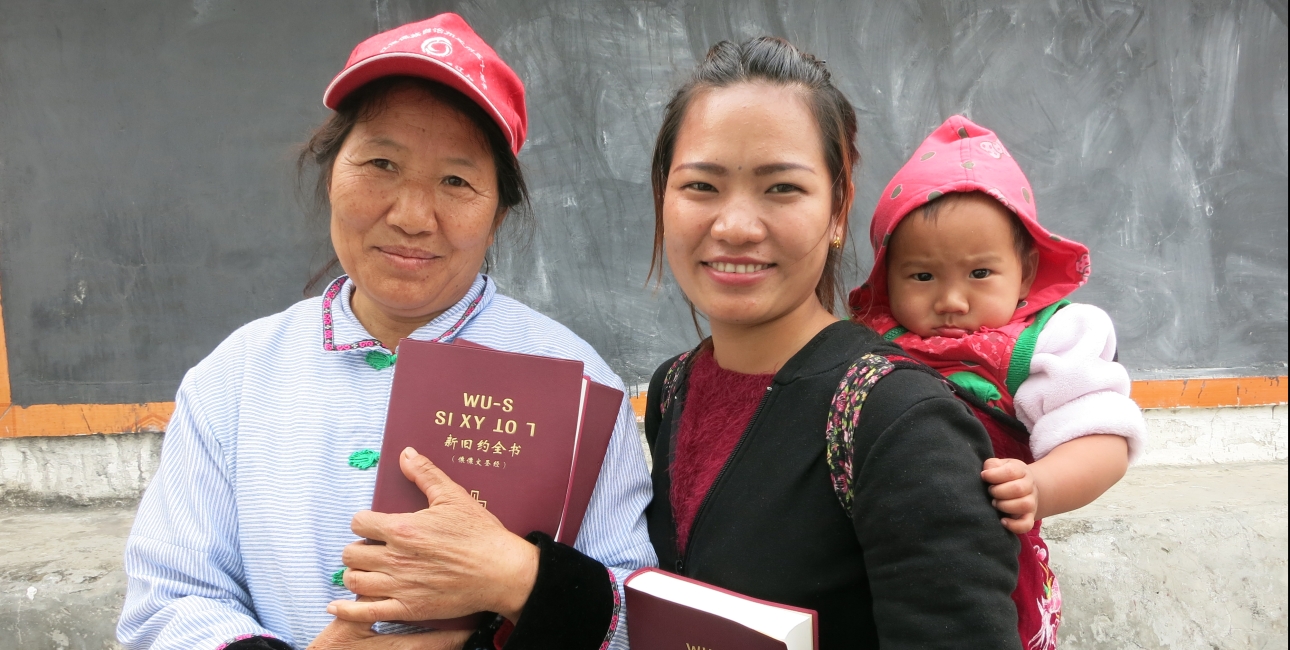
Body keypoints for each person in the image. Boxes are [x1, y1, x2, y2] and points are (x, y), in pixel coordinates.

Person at [116, 14, 655, 650]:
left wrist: (520, 582)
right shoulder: (234, 380)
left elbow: (636, 616)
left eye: (456, 181)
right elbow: (167, 604)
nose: (410, 216)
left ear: (500, 211)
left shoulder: (579, 384)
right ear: (330, 171)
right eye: (381, 163)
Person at [637, 38, 1023, 648]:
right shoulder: (674, 387)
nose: (734, 226)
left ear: (839, 209)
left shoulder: (902, 424)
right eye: (701, 187)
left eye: (781, 188)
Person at [849, 115, 1147, 648]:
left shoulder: (1044, 345)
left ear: (1027, 271)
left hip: (995, 559)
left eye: (979, 274)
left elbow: (1103, 442)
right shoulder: (868, 345)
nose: (952, 301)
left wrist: (1040, 486)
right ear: (886, 276)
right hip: (890, 551)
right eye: (922, 276)